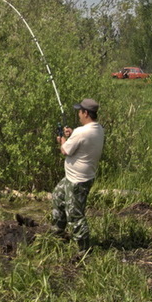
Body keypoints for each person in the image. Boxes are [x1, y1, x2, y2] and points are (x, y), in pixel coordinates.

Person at [51, 98, 105, 253]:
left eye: (80, 112)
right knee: (57, 197)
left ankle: (84, 251)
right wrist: (71, 134)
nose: (79, 115)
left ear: (86, 113)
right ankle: (58, 235)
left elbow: (65, 150)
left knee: (75, 215)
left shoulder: (81, 132)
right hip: (76, 177)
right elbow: (81, 140)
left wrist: (61, 138)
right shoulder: (98, 129)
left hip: (77, 181)